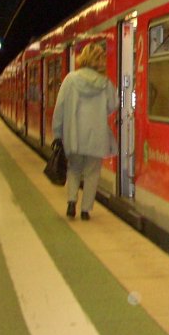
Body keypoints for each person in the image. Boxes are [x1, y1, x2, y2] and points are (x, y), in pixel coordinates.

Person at [52, 43, 117, 220]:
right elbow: (113, 106)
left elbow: (60, 108)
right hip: (96, 136)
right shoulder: (105, 84)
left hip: (73, 136)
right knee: (92, 173)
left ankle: (72, 202)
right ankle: (86, 210)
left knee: (73, 169)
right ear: (100, 61)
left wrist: (57, 134)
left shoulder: (70, 80)